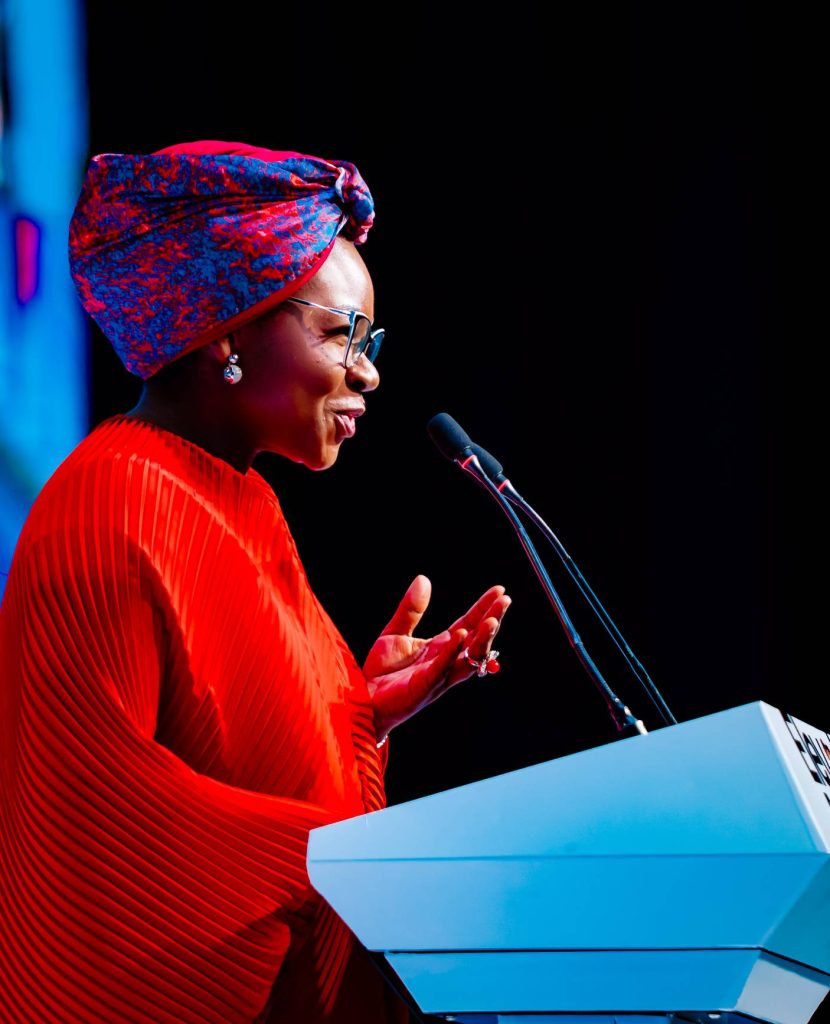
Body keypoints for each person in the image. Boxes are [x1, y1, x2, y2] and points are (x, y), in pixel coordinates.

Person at [0, 140, 510, 1023]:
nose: (370, 371)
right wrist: (331, 860)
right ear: (229, 328)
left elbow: (262, 769)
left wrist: (362, 716)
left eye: (372, 339)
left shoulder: (250, 506)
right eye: (343, 334)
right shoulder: (109, 501)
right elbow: (93, 820)